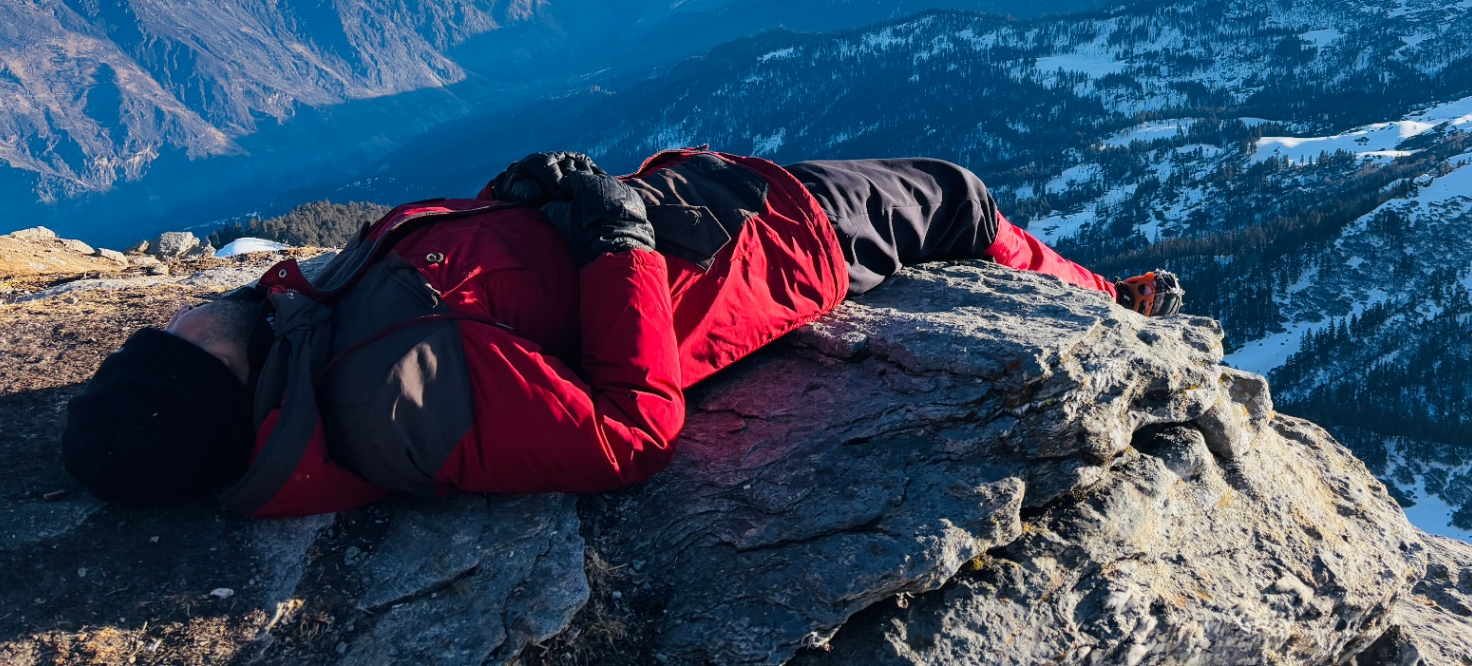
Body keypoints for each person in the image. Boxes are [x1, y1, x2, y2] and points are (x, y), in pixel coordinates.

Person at [63, 149, 1184, 515]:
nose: (172, 314)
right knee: (954, 199)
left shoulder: (301, 336)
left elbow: (471, 282)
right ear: (215, 387)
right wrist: (614, 242)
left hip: (675, 216)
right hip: (745, 259)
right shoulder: (394, 400)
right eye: (169, 342)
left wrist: (526, 196)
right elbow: (630, 431)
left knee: (940, 193)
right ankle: (1103, 304)